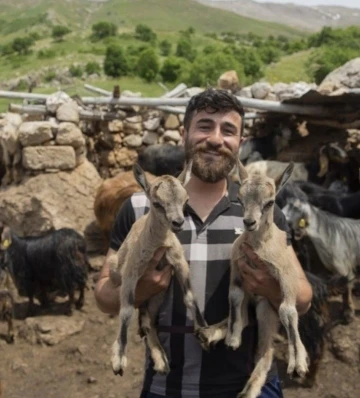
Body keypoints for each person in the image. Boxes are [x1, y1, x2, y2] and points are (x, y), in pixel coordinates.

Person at [94, 88, 313, 398]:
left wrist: (270, 286)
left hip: (249, 388)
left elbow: (302, 298)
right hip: (166, 388)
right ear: (184, 133)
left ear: (240, 143)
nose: (216, 139)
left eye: (228, 130)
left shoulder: (262, 209)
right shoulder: (138, 208)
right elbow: (103, 294)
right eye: (205, 126)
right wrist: (139, 288)